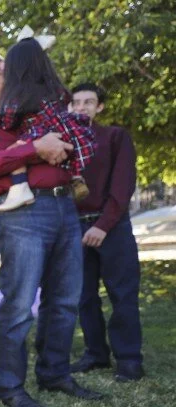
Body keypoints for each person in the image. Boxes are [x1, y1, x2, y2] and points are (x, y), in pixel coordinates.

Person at [0, 47, 104, 407]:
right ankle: (9, 385)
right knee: (19, 303)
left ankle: (54, 373)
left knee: (66, 298)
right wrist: (34, 149)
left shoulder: (31, 107)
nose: (6, 67)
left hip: (64, 205)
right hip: (19, 213)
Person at [69, 83, 144, 382]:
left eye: (89, 102)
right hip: (75, 227)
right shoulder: (62, 143)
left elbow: (123, 186)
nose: (83, 107)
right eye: (77, 102)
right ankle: (96, 353)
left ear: (100, 106)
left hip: (112, 225)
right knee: (84, 296)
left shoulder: (115, 137)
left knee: (122, 294)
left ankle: (128, 359)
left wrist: (103, 225)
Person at [0, 38, 96, 211]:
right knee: (66, 156)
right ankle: (76, 178)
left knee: (15, 151)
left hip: (43, 133)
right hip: (68, 132)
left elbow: (9, 120)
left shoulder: (19, 95)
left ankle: (20, 188)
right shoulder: (55, 88)